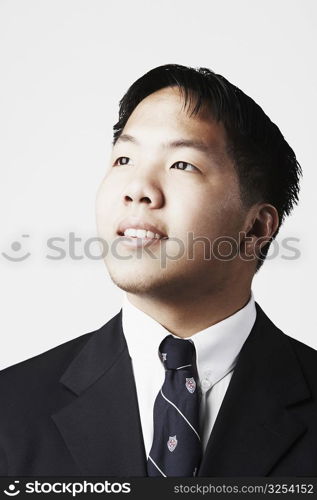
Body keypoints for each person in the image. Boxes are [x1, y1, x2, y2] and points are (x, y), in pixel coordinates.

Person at [1, 64, 316, 477]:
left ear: (256, 226)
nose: (137, 188)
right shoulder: (11, 408)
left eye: (182, 164)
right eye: (124, 158)